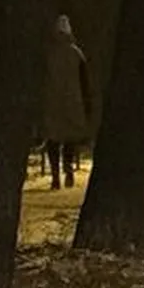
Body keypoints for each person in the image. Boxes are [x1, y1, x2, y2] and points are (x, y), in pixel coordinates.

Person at [40, 14, 93, 188]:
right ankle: (68, 170)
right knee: (70, 138)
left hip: (52, 101)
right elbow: (85, 81)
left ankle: (55, 176)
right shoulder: (76, 54)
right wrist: (86, 103)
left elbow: (41, 79)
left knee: (53, 140)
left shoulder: (48, 54)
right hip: (72, 101)